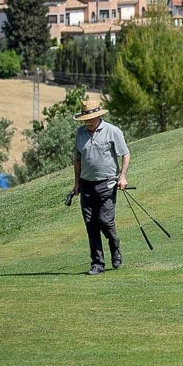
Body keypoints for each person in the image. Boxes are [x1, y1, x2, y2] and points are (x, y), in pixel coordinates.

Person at [72, 99, 130, 275]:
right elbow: (77, 160)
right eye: (85, 119)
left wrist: (122, 176)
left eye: (90, 119)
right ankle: (97, 264)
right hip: (86, 185)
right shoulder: (80, 133)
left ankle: (115, 246)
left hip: (107, 183)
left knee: (105, 221)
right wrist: (76, 183)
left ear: (98, 116)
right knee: (91, 224)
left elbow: (125, 154)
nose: (88, 122)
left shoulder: (112, 131)